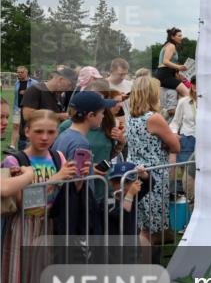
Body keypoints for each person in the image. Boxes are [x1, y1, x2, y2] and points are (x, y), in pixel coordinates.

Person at [2, 110, 78, 283]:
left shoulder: (58, 157)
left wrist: (79, 176)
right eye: (39, 132)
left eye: (51, 132)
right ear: (27, 132)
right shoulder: (15, 161)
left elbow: (67, 193)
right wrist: (57, 178)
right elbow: (25, 202)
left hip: (48, 227)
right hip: (23, 228)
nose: (45, 137)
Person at [51, 90, 117, 236]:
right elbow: (77, 181)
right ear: (90, 115)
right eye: (101, 113)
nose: (103, 116)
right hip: (77, 207)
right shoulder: (81, 143)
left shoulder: (65, 135)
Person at [125, 76, 180, 245]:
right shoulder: (154, 118)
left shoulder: (132, 118)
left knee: (140, 225)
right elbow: (176, 147)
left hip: (135, 173)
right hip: (152, 178)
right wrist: (172, 138)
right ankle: (145, 261)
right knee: (147, 230)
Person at [57, 79, 125, 203]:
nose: (103, 115)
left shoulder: (107, 124)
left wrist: (121, 142)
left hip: (100, 188)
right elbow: (61, 162)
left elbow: (108, 154)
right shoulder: (74, 134)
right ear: (90, 114)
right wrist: (88, 168)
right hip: (81, 197)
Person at [18, 66, 76, 151]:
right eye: (69, 85)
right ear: (61, 79)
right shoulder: (35, 90)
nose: (69, 89)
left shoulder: (58, 95)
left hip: (47, 141)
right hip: (31, 141)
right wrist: (60, 116)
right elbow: (27, 115)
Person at [169, 76, 197, 201]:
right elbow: (175, 122)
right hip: (187, 140)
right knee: (187, 177)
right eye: (195, 84)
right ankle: (186, 202)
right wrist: (174, 134)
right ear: (192, 86)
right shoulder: (184, 102)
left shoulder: (209, 103)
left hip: (204, 141)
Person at [155, 27, 190, 100]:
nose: (181, 38)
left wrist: (179, 67)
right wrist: (179, 67)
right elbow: (165, 61)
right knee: (188, 95)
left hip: (164, 74)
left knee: (180, 97)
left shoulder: (169, 45)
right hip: (165, 75)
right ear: (172, 37)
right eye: (179, 36)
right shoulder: (171, 45)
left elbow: (167, 62)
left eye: (181, 36)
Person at [12, 65, 38, 149]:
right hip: (17, 108)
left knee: (29, 126)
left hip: (28, 108)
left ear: (26, 72)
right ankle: (12, 146)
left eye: (21, 72)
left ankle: (30, 145)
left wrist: (27, 92)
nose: (19, 74)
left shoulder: (34, 83)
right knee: (16, 126)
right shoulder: (17, 82)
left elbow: (38, 94)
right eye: (18, 72)